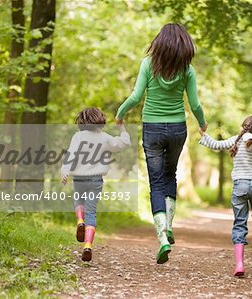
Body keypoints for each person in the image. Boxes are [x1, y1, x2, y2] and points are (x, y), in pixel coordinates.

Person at [116, 23, 207, 264]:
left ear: (159, 43)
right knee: (170, 176)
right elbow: (195, 105)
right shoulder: (187, 70)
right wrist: (202, 123)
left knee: (156, 183)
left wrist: (120, 113)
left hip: (152, 128)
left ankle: (163, 237)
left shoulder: (148, 65)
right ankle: (168, 226)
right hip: (178, 128)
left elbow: (136, 96)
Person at [199, 115, 252, 276]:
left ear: (243, 126)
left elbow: (216, 145)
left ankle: (239, 265)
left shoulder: (235, 140)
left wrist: (203, 134)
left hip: (240, 185)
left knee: (240, 222)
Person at [61, 107, 131, 262]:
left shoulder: (78, 136)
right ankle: (87, 246)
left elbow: (71, 154)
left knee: (78, 201)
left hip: (79, 178)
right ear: (100, 120)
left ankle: (80, 222)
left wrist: (65, 171)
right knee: (91, 212)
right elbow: (124, 143)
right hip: (96, 180)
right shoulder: (105, 137)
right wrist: (122, 128)